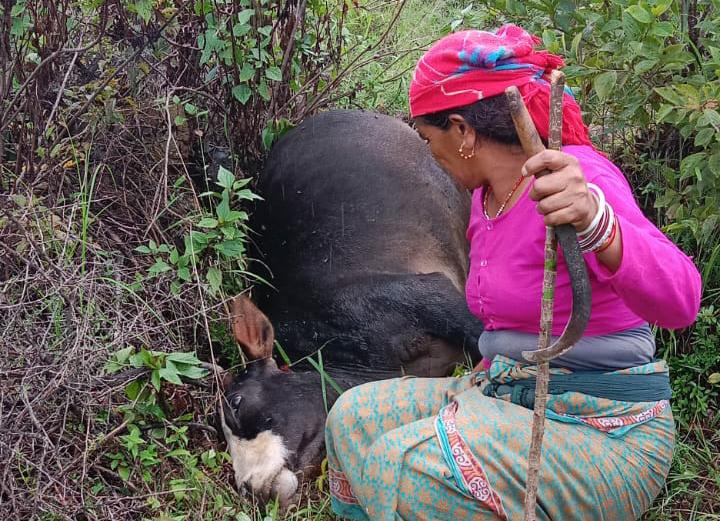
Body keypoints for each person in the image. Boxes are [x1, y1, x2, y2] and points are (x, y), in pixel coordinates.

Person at [324, 25, 702, 521]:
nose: (428, 154)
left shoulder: (576, 177)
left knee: (411, 466)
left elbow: (682, 301)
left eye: (426, 138)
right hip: (507, 395)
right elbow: (507, 328)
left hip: (602, 427)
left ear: (462, 130)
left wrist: (596, 221)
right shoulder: (484, 201)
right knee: (353, 419)